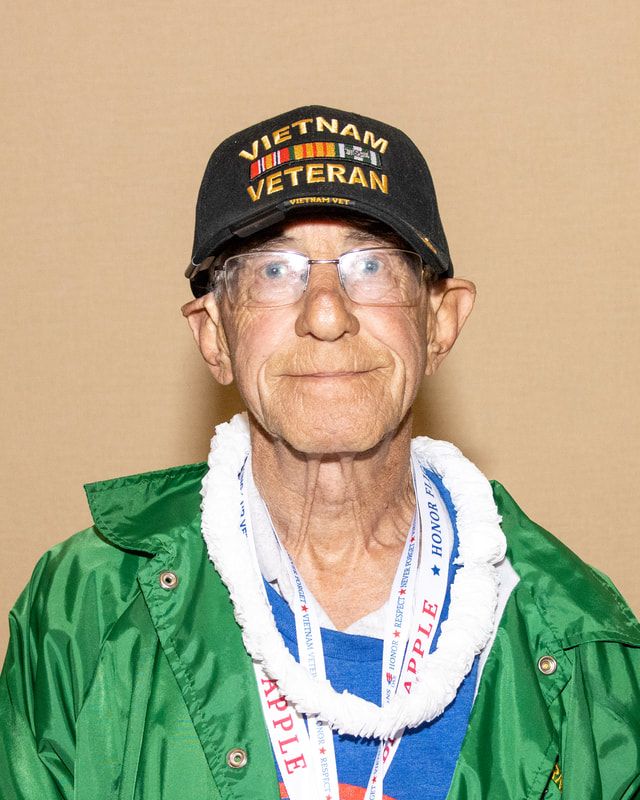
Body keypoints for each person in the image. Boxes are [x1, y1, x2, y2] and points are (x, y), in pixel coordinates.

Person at [1, 105, 638, 800]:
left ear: (439, 321)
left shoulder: (579, 637)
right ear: (215, 335)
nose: (327, 313)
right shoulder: (85, 609)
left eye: (372, 266)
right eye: (274, 270)